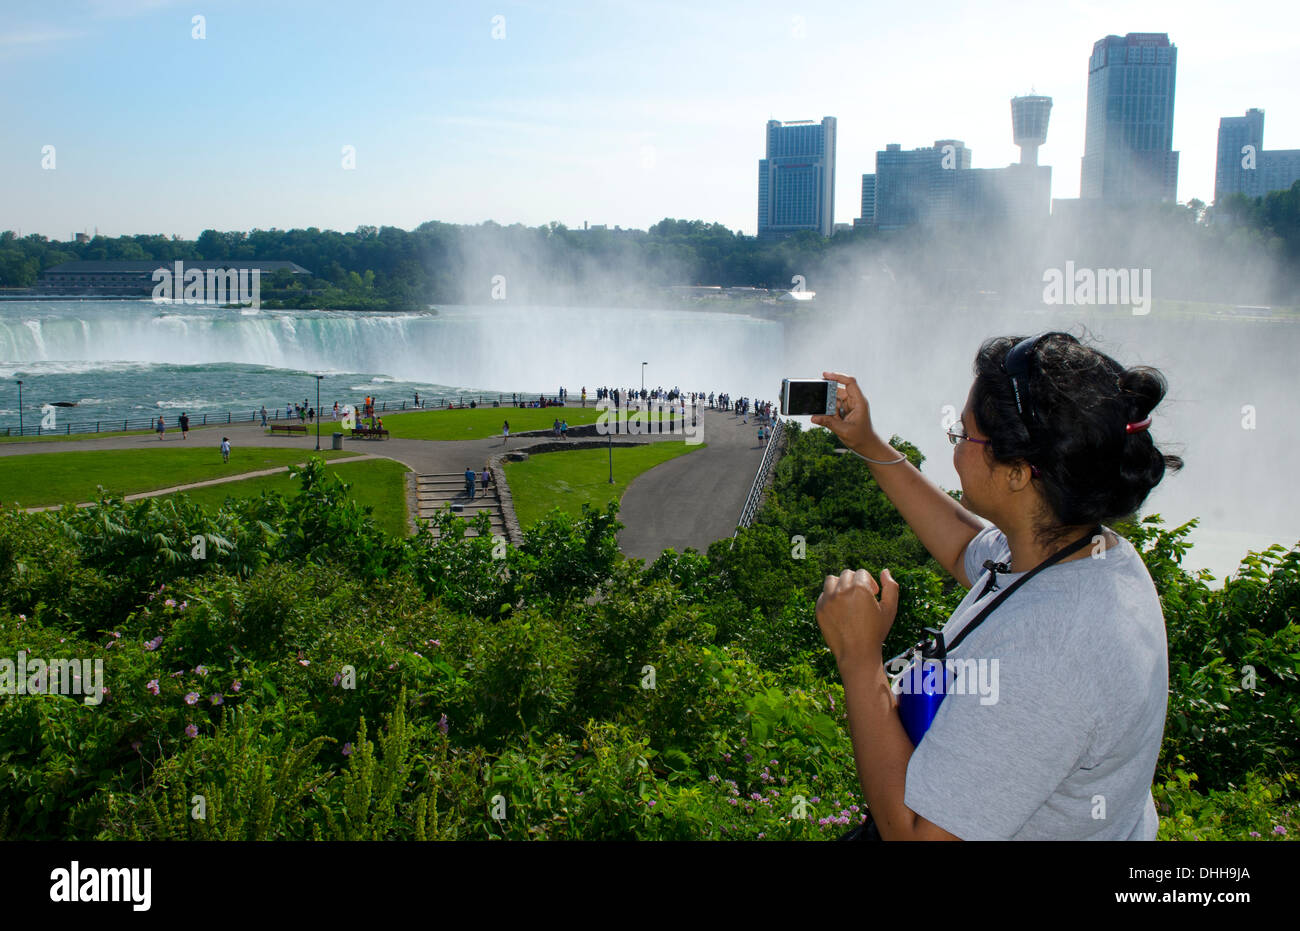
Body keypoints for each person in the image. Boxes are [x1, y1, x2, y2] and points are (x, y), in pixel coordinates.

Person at [809, 332, 1182, 841]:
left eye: (963, 436)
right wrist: (868, 444)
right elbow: (966, 546)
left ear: (1018, 474)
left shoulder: (1049, 657)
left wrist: (859, 658)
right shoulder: (1082, 549)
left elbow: (917, 837)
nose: (957, 453)